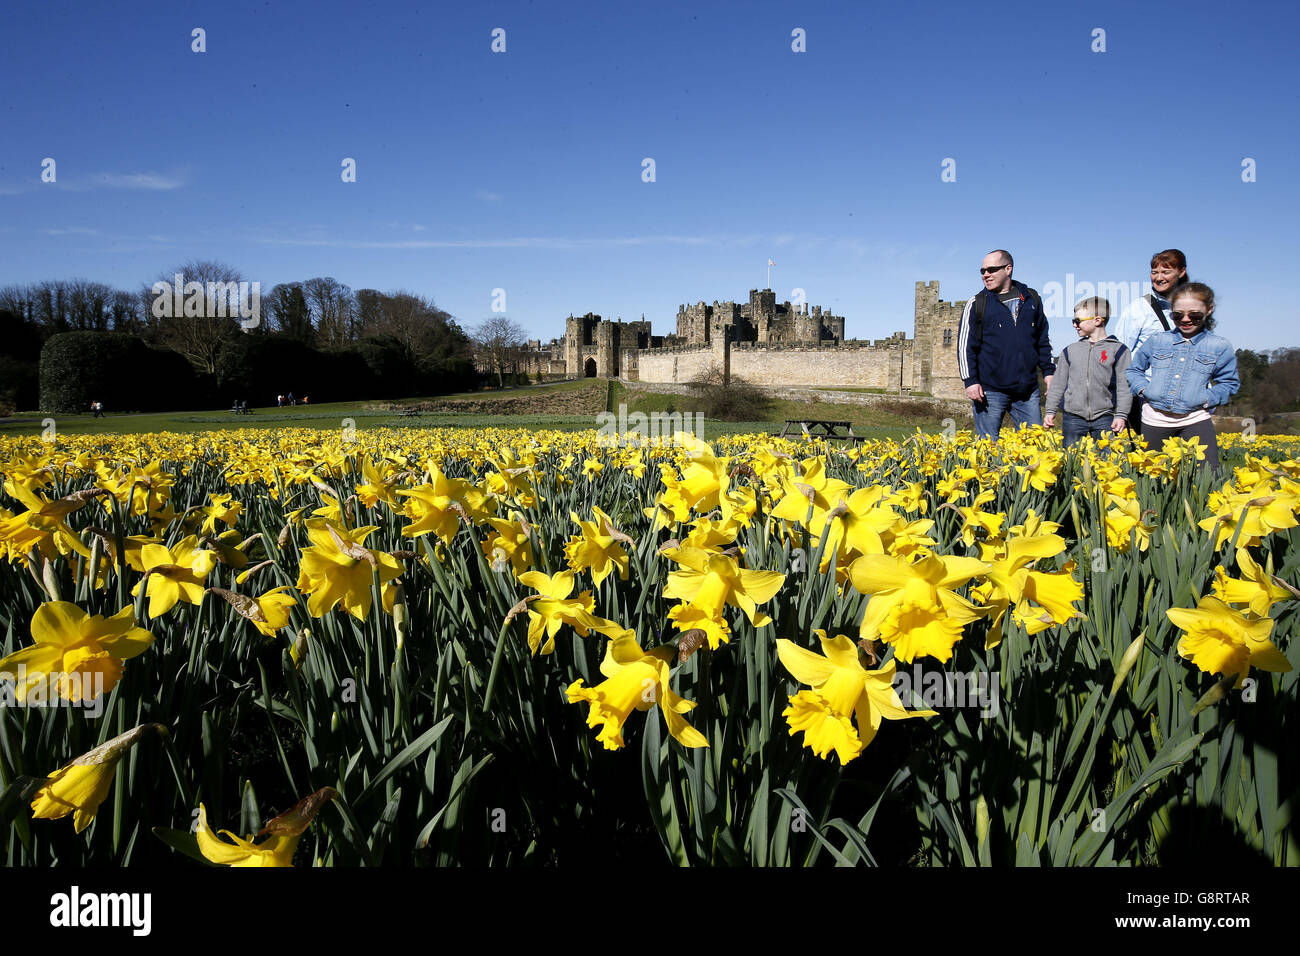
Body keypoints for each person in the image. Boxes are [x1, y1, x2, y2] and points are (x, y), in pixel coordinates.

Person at [1124, 281, 1238, 471]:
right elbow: (1133, 371)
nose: (1185, 319)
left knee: (1207, 475)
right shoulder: (1158, 341)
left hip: (1195, 418)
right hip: (1155, 418)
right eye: (1177, 315)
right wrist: (1145, 390)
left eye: (1194, 315)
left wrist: (1206, 399)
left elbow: (1228, 383)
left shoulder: (1219, 345)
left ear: (1209, 310)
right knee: (1153, 477)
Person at [958, 249, 1055, 441]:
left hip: (1027, 391)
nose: (986, 274)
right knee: (988, 448)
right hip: (990, 391)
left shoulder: (1032, 299)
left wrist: (1049, 372)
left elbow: (1042, 339)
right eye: (983, 270)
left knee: (1033, 446)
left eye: (992, 269)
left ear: (1008, 269)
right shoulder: (977, 303)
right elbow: (965, 346)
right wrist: (970, 380)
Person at [1114, 249, 1190, 427]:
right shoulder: (1139, 309)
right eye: (1154, 272)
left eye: (1166, 272)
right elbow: (1119, 353)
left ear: (1181, 271)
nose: (1158, 277)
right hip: (1146, 397)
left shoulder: (1193, 308)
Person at [1043, 297, 1131, 447]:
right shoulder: (1070, 351)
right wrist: (1050, 411)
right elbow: (1058, 384)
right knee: (1072, 462)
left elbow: (1124, 387)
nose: (1074, 325)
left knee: (1107, 464)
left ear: (1097, 320)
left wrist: (1121, 415)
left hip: (1105, 416)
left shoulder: (1118, 350)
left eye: (1078, 321)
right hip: (1073, 416)